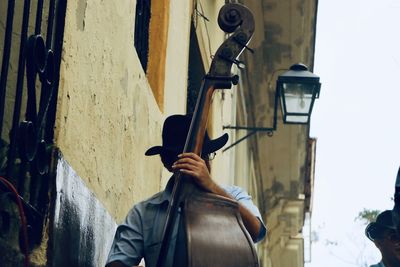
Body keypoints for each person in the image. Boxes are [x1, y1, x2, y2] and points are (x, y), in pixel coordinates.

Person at [105, 114, 266, 267]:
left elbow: (256, 230)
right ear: (168, 163)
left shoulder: (234, 196)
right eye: (187, 161)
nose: (200, 165)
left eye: (205, 157)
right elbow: (117, 262)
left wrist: (212, 187)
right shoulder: (143, 213)